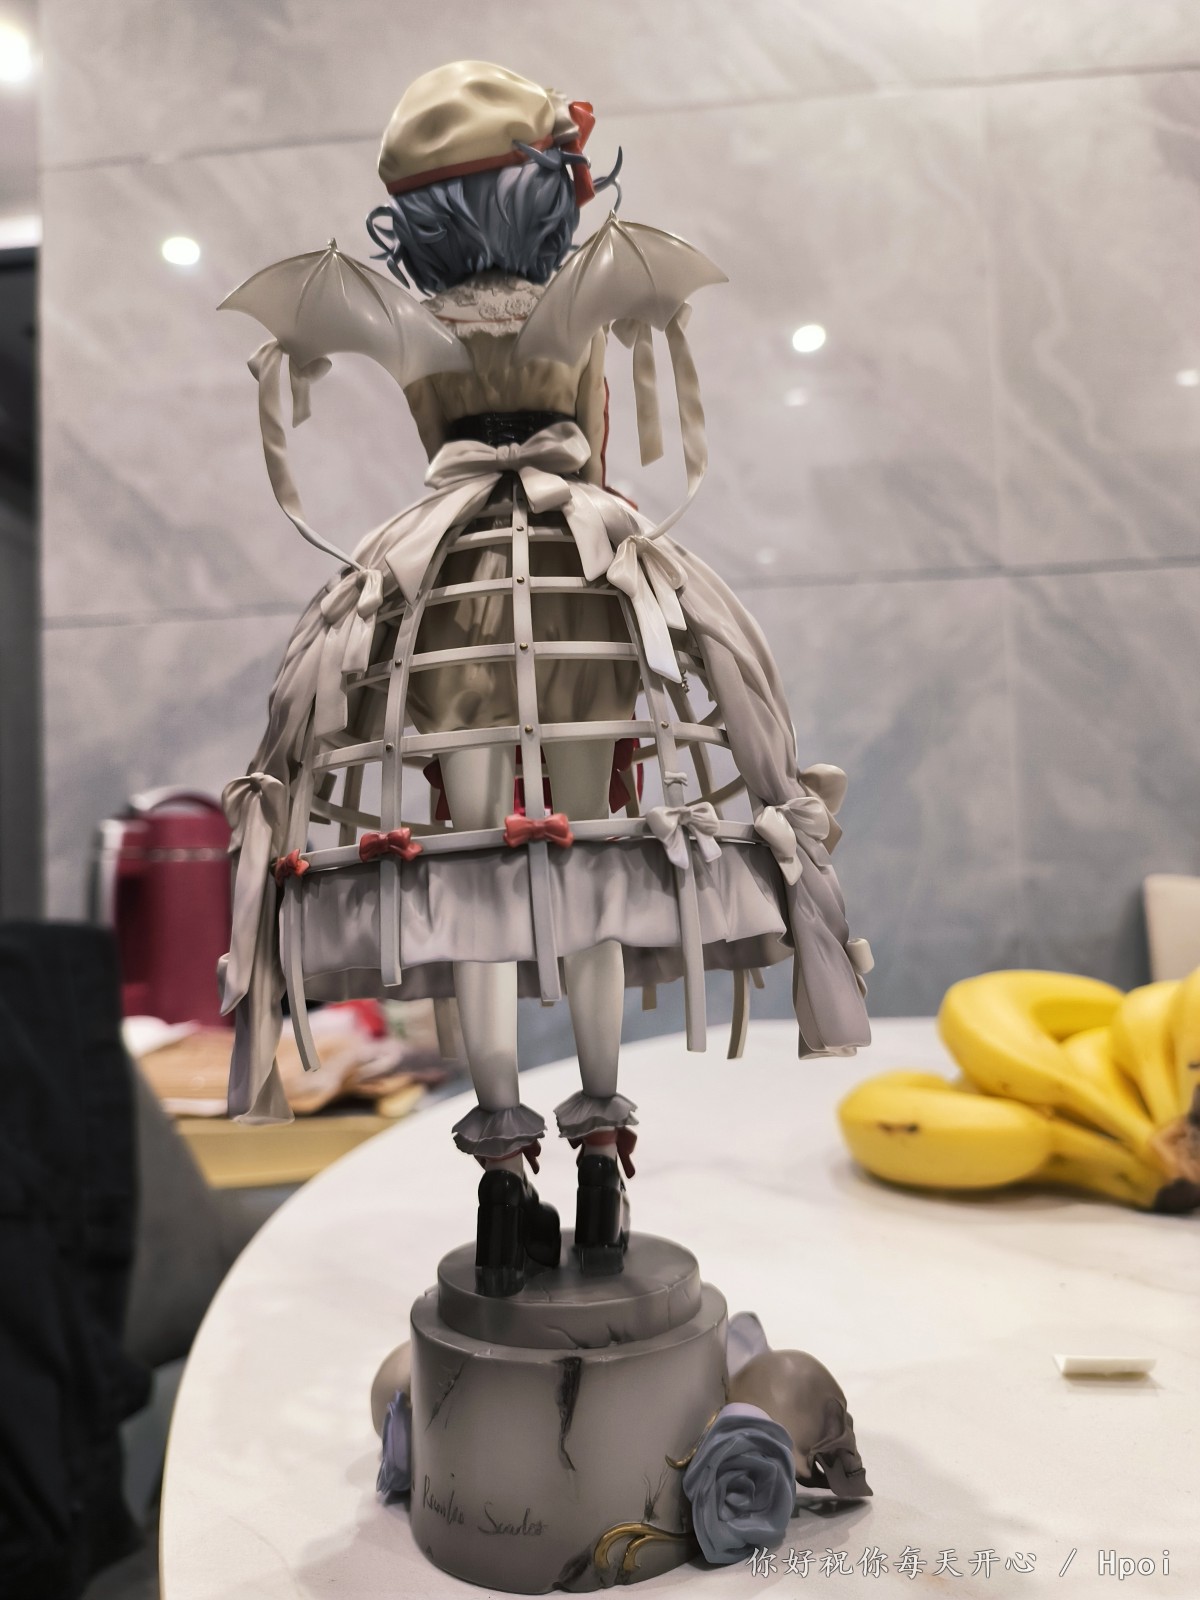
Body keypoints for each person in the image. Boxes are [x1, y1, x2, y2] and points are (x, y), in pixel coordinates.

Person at [219, 61, 872, 1298]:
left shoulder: (406, 325)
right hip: (577, 589)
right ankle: (602, 1147)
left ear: (415, 215)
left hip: (450, 601)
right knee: (587, 866)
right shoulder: (581, 298)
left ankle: (502, 1174)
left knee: (473, 871)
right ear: (547, 192)